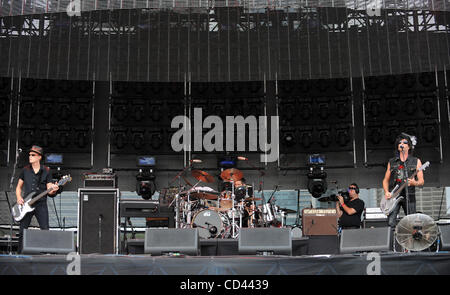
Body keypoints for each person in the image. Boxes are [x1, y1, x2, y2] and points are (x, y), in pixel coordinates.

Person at [15, 145, 59, 252]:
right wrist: (19, 197)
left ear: (39, 157)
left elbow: (49, 189)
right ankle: (19, 254)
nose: (30, 157)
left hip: (41, 204)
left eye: (33, 155)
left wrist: (55, 189)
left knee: (45, 229)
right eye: (29, 155)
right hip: (26, 204)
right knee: (22, 231)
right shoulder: (25, 170)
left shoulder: (47, 171)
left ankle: (45, 254)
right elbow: (18, 187)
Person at [382, 133, 424, 228]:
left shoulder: (416, 161)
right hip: (394, 195)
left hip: (409, 195)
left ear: (409, 146)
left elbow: (421, 181)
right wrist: (386, 192)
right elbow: (385, 180)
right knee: (391, 222)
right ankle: (390, 241)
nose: (402, 144)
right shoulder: (392, 162)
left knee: (412, 223)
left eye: (405, 142)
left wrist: (414, 182)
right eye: (400, 143)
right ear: (397, 147)